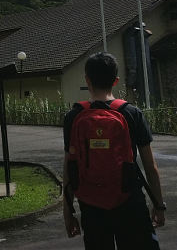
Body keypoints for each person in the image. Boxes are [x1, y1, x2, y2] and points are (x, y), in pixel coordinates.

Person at [62, 52, 165, 249]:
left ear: (87, 80)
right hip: (129, 200)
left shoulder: (73, 117)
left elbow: (69, 166)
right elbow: (150, 167)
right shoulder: (131, 113)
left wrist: (68, 213)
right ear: (116, 81)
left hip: (91, 204)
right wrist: (159, 205)